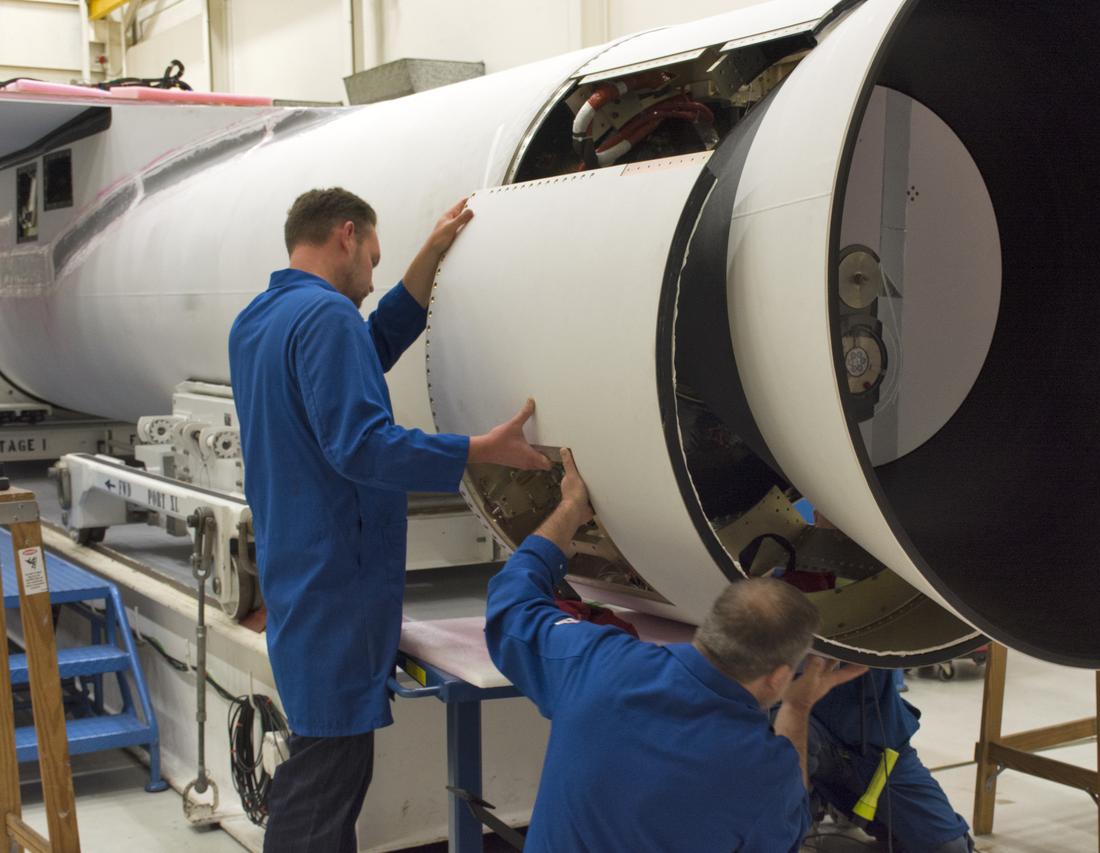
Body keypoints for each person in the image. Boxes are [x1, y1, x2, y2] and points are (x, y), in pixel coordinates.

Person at [228, 187, 550, 852]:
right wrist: (477, 452)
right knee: (324, 789)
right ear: (345, 235)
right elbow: (361, 444)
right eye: (374, 259)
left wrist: (428, 260)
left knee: (322, 773)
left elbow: (361, 354)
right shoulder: (328, 317)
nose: (373, 280)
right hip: (337, 586)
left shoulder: (259, 320)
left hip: (301, 578)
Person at [485, 448, 867, 852]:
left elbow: (512, 602)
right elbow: (785, 836)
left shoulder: (598, 664)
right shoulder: (766, 773)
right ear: (777, 677)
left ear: (711, 626)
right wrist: (798, 708)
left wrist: (571, 507)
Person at [801, 510, 974, 853]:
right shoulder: (784, 566)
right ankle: (812, 800)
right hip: (803, 730)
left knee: (950, 848)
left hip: (878, 747)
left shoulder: (889, 569)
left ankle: (840, 804)